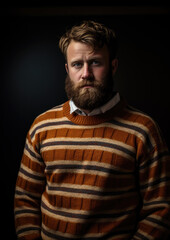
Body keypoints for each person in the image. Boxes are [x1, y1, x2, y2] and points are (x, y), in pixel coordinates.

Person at [14, 20, 170, 240]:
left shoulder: (143, 129)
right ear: (68, 69)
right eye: (77, 64)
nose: (86, 73)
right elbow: (25, 200)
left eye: (95, 62)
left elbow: (160, 209)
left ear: (113, 66)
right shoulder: (42, 125)